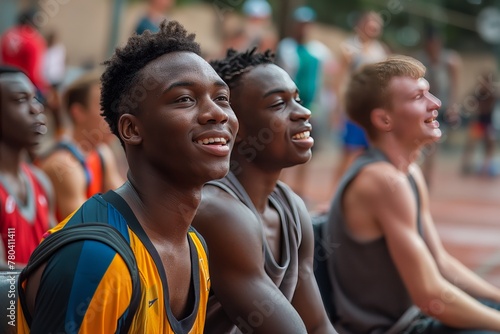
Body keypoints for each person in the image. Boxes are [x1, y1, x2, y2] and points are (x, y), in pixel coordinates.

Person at [17, 20, 238, 332]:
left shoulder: (195, 248)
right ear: (132, 129)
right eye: (185, 99)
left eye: (222, 98)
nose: (217, 113)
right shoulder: (99, 259)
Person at [324, 55, 500, 333]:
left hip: (415, 320)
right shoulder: (381, 180)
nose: (436, 103)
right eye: (419, 96)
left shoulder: (408, 172)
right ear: (384, 119)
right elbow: (430, 296)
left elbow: (440, 263)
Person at [193, 48, 337, 334]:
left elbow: (317, 325)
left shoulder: (291, 207)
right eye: (278, 104)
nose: (303, 111)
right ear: (235, 124)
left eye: (297, 99)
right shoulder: (216, 210)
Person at [38, 69, 124, 221]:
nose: (114, 115)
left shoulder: (102, 153)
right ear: (78, 112)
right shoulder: (64, 165)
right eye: (104, 107)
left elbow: (125, 206)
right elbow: (88, 227)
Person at [0, 65, 56, 268]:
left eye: (35, 98)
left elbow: (54, 253)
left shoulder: (41, 182)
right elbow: (3, 277)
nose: (36, 108)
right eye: (20, 100)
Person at [276, 6, 332, 199]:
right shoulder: (286, 47)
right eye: (300, 24)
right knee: (284, 146)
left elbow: (327, 78)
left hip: (312, 108)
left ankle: (299, 191)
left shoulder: (319, 51)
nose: (303, 28)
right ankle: (279, 188)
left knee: (306, 148)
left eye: (306, 25)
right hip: (290, 107)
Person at [331, 11, 390, 191]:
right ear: (360, 25)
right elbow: (339, 80)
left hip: (373, 110)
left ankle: (358, 194)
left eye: (376, 25)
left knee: (370, 153)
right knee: (350, 152)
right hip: (354, 108)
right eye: (369, 24)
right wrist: (339, 108)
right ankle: (335, 197)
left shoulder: (381, 51)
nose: (372, 28)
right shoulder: (349, 49)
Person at [414, 24, 461, 186]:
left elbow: (454, 86)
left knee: (433, 143)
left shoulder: (449, 61)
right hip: (422, 107)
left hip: (441, 107)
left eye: (436, 43)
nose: (434, 47)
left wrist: (453, 108)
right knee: (421, 142)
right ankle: (419, 175)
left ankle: (427, 177)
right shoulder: (420, 61)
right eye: (431, 44)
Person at [0, 8, 48, 98]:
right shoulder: (35, 40)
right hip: (24, 86)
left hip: (4, 82)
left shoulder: (7, 34)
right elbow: (34, 74)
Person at [461, 71, 499, 177]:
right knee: (471, 144)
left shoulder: (493, 93)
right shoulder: (477, 93)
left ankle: (486, 167)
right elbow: (468, 102)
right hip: (478, 123)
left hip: (488, 123)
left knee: (490, 144)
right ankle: (466, 165)